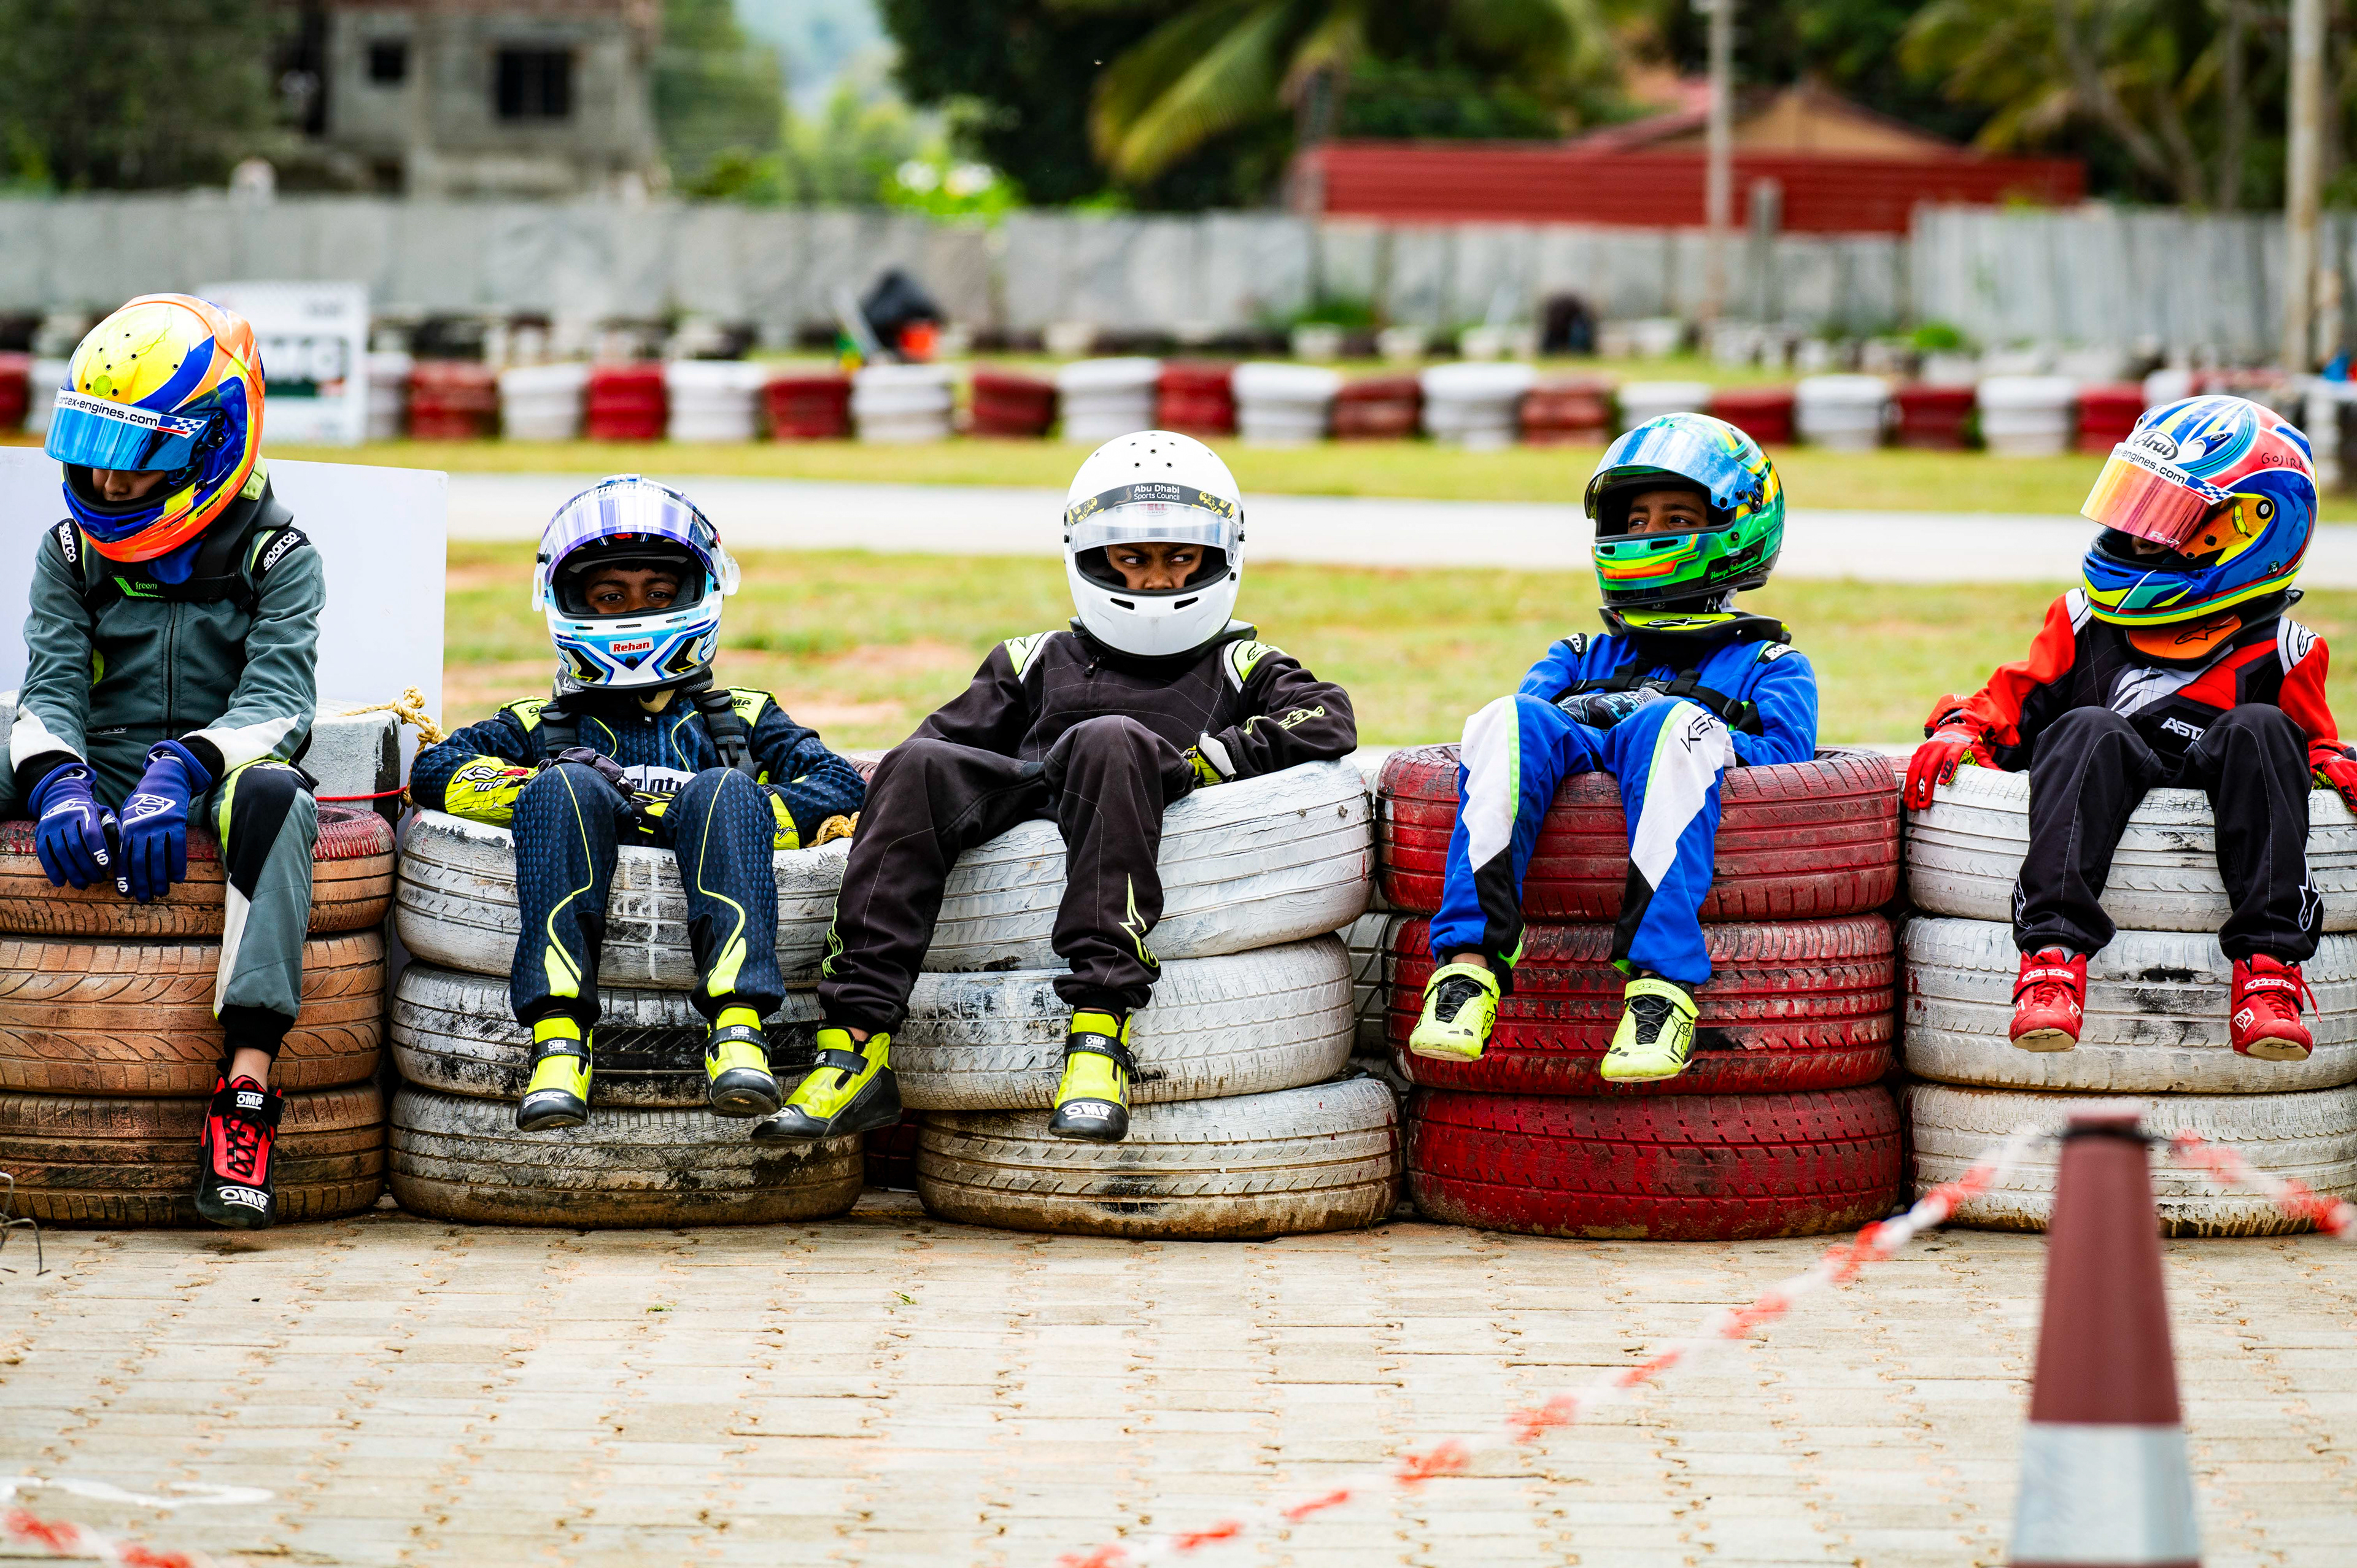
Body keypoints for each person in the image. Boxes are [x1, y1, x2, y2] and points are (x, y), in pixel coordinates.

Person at [763, 431, 1357, 1146]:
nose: (1156, 581)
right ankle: (855, 1048)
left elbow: (1327, 716)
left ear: (1221, 553)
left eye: (1179, 559)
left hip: (1139, 781)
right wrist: (864, 812)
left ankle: (1099, 1038)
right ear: (1089, 555)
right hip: (1032, 788)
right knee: (914, 761)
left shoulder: (1240, 658)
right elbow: (938, 748)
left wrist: (1210, 760)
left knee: (1109, 737)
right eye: (1133, 559)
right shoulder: (1036, 654)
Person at [1905, 394, 2357, 1061]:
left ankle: (2269, 973)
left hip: (2223, 772)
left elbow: (2314, 748)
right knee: (2083, 724)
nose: (2139, 532)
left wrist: (2332, 762)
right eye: (2138, 509)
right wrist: (1958, 733)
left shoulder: (2289, 651)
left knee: (2265, 729)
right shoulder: (2082, 619)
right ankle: (2052, 960)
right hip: (2105, 769)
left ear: (2249, 530)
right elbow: (2008, 701)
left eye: (2166, 520)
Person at [406, 476, 865, 1131]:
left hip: (716, 836)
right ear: (568, 602)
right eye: (609, 596)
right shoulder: (539, 721)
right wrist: (542, 783)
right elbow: (435, 767)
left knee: (728, 789)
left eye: (657, 592)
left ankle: (739, 1036)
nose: (636, 610)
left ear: (696, 593)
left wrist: (740, 807)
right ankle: (559, 1045)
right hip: (577, 828)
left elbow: (841, 784)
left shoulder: (742, 713)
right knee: (562, 784)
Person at [13, 293, 322, 1229]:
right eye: (92, 455)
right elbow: (50, 686)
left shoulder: (281, 551)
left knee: (281, 799)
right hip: (96, 764)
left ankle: (246, 1095)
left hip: (217, 768)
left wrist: (183, 766)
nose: (106, 484)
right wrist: (56, 781)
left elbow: (282, 709)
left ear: (211, 444)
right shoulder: (69, 548)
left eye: (134, 459)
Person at [1406, 413, 1817, 1083]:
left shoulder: (1768, 664)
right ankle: (1467, 972)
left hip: (1685, 784)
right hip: (1570, 786)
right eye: (1634, 523)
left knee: (1673, 726)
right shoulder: (1579, 654)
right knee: (1500, 717)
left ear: (1738, 525)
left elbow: (1794, 774)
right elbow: (1523, 741)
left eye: (1675, 517)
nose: (1649, 535)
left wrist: (1673, 720)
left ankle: (1660, 992)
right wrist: (1598, 712)